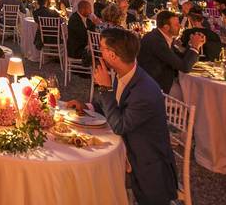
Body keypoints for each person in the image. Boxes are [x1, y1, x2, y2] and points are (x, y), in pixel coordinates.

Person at [68, 28, 178, 205]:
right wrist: (86, 106)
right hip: (127, 149)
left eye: (101, 48)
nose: (98, 51)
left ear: (112, 55)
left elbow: (119, 125)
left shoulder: (144, 91)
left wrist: (105, 89)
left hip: (147, 167)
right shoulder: (125, 73)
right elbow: (115, 106)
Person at [138, 10, 203, 94]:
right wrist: (195, 47)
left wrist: (192, 44)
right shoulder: (156, 42)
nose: (180, 26)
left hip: (158, 82)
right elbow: (185, 67)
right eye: (176, 25)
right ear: (166, 27)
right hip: (156, 88)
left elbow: (180, 58)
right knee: (193, 94)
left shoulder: (161, 37)